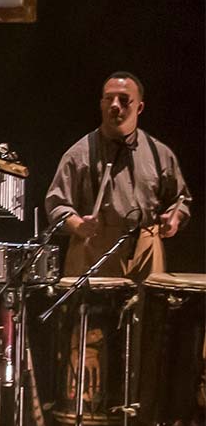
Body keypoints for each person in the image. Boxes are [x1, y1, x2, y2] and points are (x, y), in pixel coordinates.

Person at [45, 72, 190, 279]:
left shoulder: (160, 153)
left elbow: (181, 200)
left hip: (147, 249)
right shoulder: (79, 154)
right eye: (109, 99)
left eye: (123, 100)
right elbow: (57, 204)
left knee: (148, 310)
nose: (115, 105)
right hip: (95, 247)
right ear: (101, 103)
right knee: (95, 310)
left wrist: (175, 218)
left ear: (139, 107)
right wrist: (79, 225)